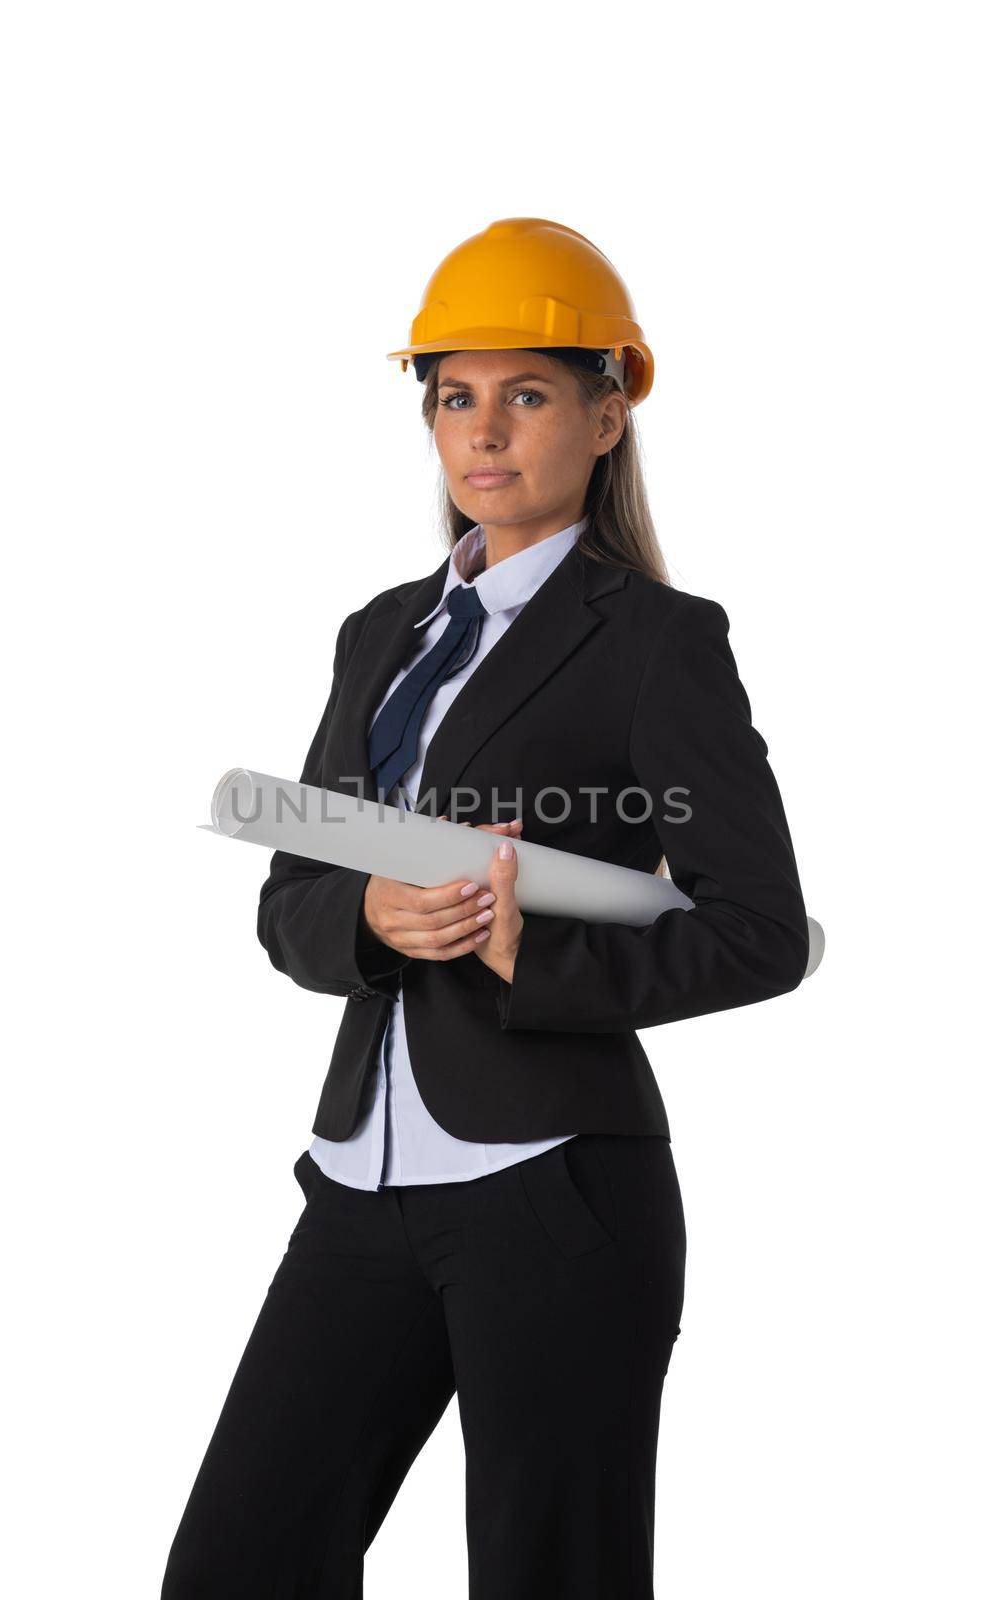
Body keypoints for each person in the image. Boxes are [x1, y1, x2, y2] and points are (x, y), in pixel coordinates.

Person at [160, 217, 810, 1599]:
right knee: (236, 1564)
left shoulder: (654, 643)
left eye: (526, 394)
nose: (485, 432)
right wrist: (370, 922)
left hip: (554, 1190)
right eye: (456, 396)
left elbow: (758, 926)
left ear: (607, 410)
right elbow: (292, 899)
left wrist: (535, 951)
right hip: (361, 1180)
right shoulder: (380, 632)